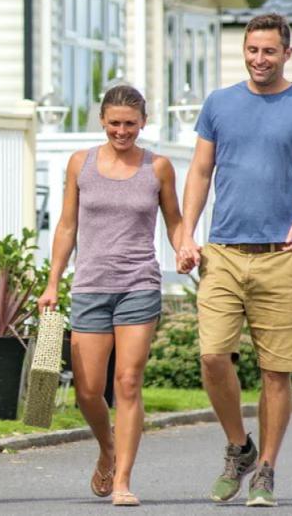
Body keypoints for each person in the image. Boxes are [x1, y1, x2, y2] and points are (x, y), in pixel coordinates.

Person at [176, 13, 292, 507]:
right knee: (212, 355)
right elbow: (200, 172)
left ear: (287, 54)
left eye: (269, 51)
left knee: (276, 371)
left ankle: (265, 467)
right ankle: (238, 446)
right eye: (252, 50)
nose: (259, 59)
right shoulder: (220, 104)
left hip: (282, 257)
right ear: (243, 51)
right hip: (223, 251)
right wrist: (185, 232)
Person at [38, 85, 184, 507]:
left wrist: (186, 247)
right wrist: (53, 282)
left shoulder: (157, 168)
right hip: (89, 284)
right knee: (87, 389)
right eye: (115, 123)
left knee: (128, 381)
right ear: (102, 121)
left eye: (131, 124)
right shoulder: (80, 164)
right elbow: (66, 226)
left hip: (139, 284)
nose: (123, 131)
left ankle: (122, 478)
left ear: (144, 123)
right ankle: (107, 447)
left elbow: (173, 221)